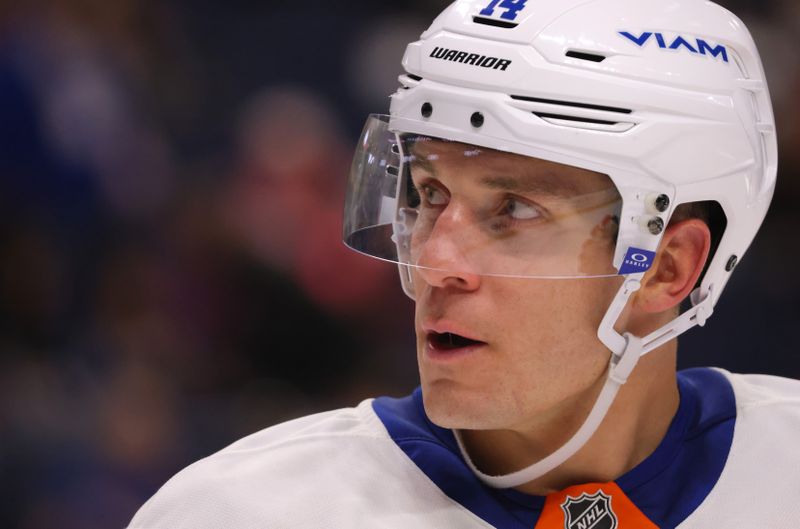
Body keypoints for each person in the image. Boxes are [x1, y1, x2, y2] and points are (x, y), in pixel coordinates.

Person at [128, 0, 800, 528]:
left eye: (515, 209)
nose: (435, 260)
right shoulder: (239, 515)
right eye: (429, 194)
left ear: (666, 267)